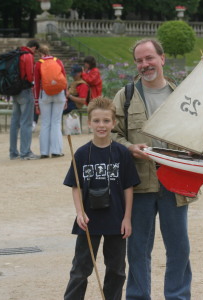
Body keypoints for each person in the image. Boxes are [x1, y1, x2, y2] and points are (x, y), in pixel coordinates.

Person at [112, 38, 195, 300]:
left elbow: (198, 135)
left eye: (149, 58)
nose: (145, 64)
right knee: (137, 249)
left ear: (162, 58)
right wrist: (128, 147)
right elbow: (111, 134)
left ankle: (178, 296)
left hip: (175, 182)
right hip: (138, 184)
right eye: (139, 60)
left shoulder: (182, 95)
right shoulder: (125, 96)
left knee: (179, 249)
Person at [63, 97, 140, 300]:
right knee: (81, 269)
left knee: (116, 270)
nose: (101, 125)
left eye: (106, 121)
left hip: (116, 219)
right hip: (88, 221)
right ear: (89, 122)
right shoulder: (80, 154)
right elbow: (76, 187)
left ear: (113, 123)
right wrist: (79, 213)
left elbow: (128, 187)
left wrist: (127, 218)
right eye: (96, 121)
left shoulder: (122, 153)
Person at [33, 45, 66, 158]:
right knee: (56, 122)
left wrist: (36, 102)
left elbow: (36, 84)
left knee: (46, 123)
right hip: (59, 94)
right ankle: (56, 150)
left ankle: (44, 152)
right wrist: (65, 97)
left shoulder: (38, 64)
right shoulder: (58, 61)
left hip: (45, 94)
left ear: (39, 53)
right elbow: (64, 79)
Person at [9, 39, 40, 160]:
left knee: (14, 122)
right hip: (25, 90)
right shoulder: (28, 56)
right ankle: (25, 152)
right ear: (34, 48)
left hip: (14, 90)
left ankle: (13, 152)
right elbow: (29, 75)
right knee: (26, 122)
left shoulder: (16, 54)